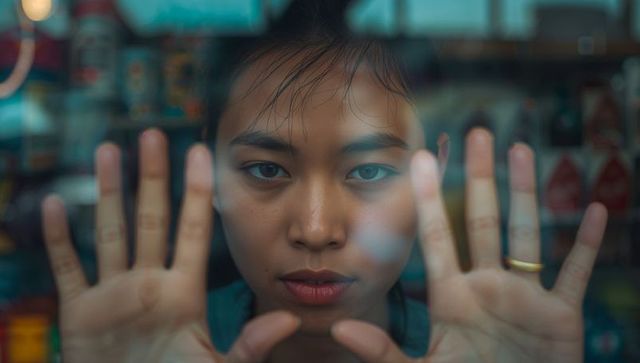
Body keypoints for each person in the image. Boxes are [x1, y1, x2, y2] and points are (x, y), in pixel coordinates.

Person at [40, 2, 608, 363]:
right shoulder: (146, 348)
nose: (316, 230)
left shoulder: (487, 352)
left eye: (368, 172)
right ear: (208, 171)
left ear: (428, 176)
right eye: (266, 170)